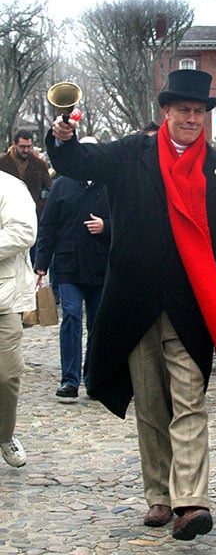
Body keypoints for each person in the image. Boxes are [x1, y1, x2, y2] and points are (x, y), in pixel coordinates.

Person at [46, 69, 216, 542]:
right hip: (134, 300)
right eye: (183, 110)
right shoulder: (131, 154)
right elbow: (76, 160)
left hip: (191, 305)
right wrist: (61, 136)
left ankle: (191, 501)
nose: (192, 118)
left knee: (189, 401)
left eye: (199, 112)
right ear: (166, 111)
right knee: (149, 404)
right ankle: (159, 496)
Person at [34, 174, 111, 402]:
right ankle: (69, 379)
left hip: (100, 266)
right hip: (69, 265)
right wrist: (41, 263)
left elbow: (127, 221)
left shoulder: (109, 183)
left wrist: (106, 226)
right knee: (71, 316)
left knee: (98, 324)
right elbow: (48, 224)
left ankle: (93, 378)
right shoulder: (62, 184)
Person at [0, 171, 37, 468]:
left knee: (7, 374)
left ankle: (4, 434)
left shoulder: (10, 187)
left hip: (3, 299)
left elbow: (24, 232)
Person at [0, 130, 52, 263]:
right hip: (6, 219)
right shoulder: (2, 163)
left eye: (29, 147)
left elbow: (48, 189)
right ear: (14, 144)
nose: (26, 150)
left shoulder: (39, 164)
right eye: (22, 147)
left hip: (33, 219)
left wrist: (40, 208)